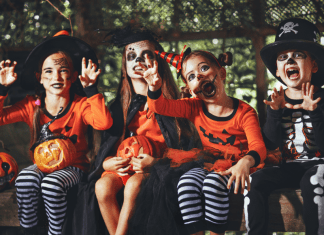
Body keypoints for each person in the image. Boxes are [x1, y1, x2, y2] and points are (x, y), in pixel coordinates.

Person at [140, 47, 266, 235]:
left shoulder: (244, 112)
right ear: (190, 89)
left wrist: (245, 162)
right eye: (190, 76)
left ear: (221, 73)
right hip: (209, 162)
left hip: (237, 165)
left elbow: (259, 147)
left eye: (203, 68)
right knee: (185, 184)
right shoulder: (194, 107)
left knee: (212, 184)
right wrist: (154, 87)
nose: (198, 77)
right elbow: (159, 106)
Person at [0, 34, 113, 235]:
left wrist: (91, 89)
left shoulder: (80, 105)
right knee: (25, 179)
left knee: (52, 185)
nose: (56, 77)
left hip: (75, 168)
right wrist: (2, 89)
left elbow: (104, 123)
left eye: (63, 71)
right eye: (49, 71)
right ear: (40, 77)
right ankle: (30, 231)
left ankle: (56, 232)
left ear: (73, 76)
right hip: (41, 166)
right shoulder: (31, 106)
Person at [94, 26, 197, 235]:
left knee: (133, 185)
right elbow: (107, 149)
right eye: (131, 56)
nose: (138, 61)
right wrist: (108, 162)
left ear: (157, 63)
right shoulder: (118, 107)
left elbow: (190, 153)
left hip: (159, 169)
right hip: (126, 167)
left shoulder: (174, 104)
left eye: (146, 55)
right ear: (125, 64)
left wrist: (156, 164)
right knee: (101, 187)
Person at [244, 18, 324, 235]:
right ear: (278, 71)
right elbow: (269, 143)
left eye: (298, 55)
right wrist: (275, 113)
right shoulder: (276, 101)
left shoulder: (321, 98)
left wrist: (314, 112)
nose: (290, 60)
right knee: (253, 181)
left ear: (314, 65)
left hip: (319, 166)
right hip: (289, 168)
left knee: (314, 179)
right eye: (283, 57)